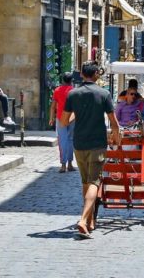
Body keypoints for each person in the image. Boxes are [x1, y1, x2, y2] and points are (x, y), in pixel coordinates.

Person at [60, 61, 120, 240]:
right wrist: (116, 137)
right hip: (97, 144)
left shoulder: (73, 94)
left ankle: (90, 220)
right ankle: (83, 219)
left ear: (82, 75)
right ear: (95, 74)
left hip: (79, 144)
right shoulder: (103, 94)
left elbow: (64, 121)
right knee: (94, 182)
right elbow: (113, 121)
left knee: (85, 182)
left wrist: (77, 114)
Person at [49, 72, 75, 173]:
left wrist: (51, 118)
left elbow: (53, 106)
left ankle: (63, 165)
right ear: (71, 80)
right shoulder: (73, 91)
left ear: (63, 80)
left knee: (62, 140)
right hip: (72, 118)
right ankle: (70, 164)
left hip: (60, 117)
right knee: (70, 140)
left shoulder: (57, 90)